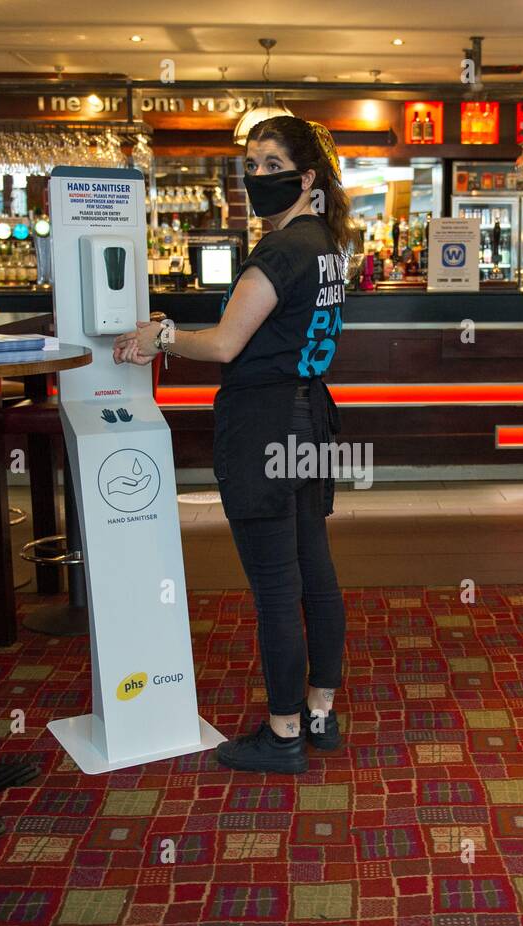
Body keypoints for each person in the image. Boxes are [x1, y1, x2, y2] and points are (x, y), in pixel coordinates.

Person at [114, 116, 359, 774]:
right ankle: (318, 714)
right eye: (249, 163)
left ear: (306, 178)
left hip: (265, 425)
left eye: (270, 165)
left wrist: (161, 335)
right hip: (310, 418)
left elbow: (224, 343)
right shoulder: (327, 244)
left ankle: (282, 737)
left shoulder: (280, 251)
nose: (256, 176)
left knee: (278, 588)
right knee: (316, 575)